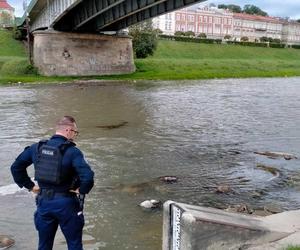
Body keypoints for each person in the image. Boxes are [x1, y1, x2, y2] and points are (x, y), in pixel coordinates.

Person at [11, 116, 94, 250]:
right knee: (74, 244)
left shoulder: (36, 148)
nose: (75, 136)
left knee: (44, 245)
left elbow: (16, 168)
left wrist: (30, 186)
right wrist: (82, 190)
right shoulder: (73, 151)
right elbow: (88, 176)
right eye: (75, 132)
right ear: (68, 130)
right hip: (67, 203)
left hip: (44, 202)